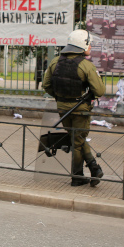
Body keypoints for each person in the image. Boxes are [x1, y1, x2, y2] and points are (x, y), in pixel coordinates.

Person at [42, 29, 106, 187]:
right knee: (77, 142)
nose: (90, 46)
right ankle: (77, 176)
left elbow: (46, 85)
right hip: (80, 109)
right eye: (88, 43)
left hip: (63, 108)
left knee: (76, 139)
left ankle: (94, 167)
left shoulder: (55, 61)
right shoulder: (86, 65)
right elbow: (100, 91)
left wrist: (60, 97)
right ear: (82, 45)